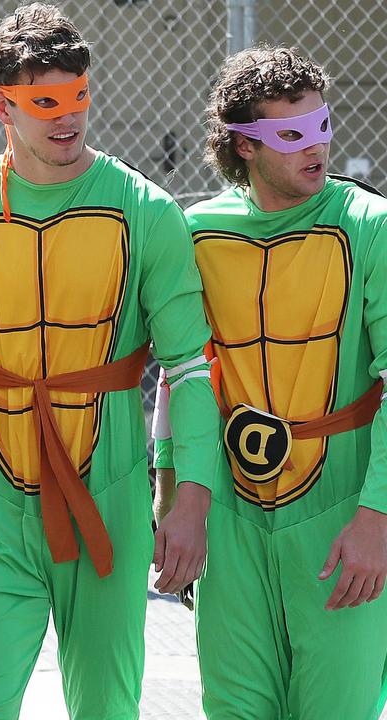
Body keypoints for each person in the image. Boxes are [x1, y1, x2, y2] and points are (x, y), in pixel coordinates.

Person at [0, 4, 225, 717]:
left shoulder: (146, 210)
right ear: (3, 106)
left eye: (78, 96)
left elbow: (191, 368)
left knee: (107, 710)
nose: (68, 118)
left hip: (110, 502)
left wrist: (191, 500)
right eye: (44, 102)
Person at [152, 47, 387, 719]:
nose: (315, 147)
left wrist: (377, 518)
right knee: (233, 709)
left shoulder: (370, 227)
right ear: (244, 146)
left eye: (321, 125)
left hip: (342, 513)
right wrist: (171, 496)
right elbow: (182, 377)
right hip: (232, 517)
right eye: (291, 134)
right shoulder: (196, 233)